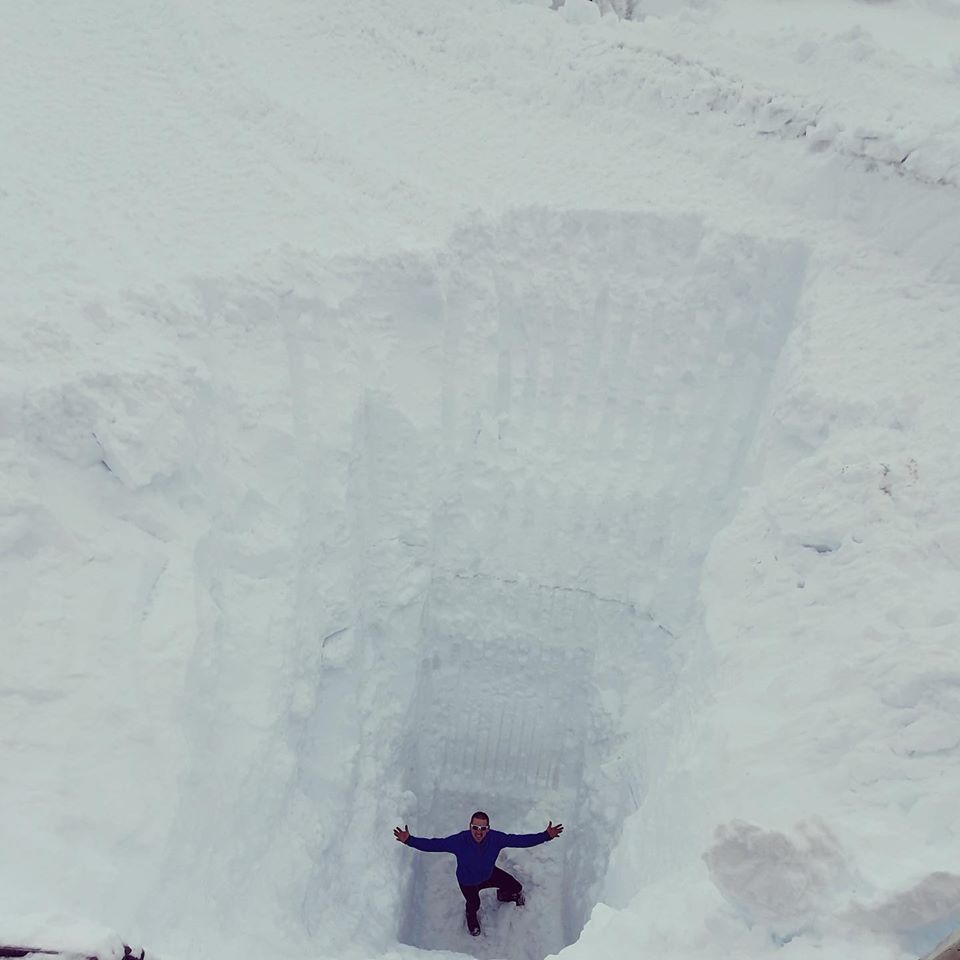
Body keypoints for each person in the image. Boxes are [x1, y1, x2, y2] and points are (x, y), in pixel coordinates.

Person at [394, 811, 564, 936]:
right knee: (473, 903)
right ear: (470, 827)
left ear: (488, 829)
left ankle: (503, 896)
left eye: (483, 828)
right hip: (468, 882)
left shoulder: (496, 838)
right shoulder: (459, 841)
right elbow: (434, 845)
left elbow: (519, 840)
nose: (479, 831)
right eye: (475, 827)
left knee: (515, 886)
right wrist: (409, 840)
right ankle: (471, 917)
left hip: (489, 875)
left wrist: (545, 835)